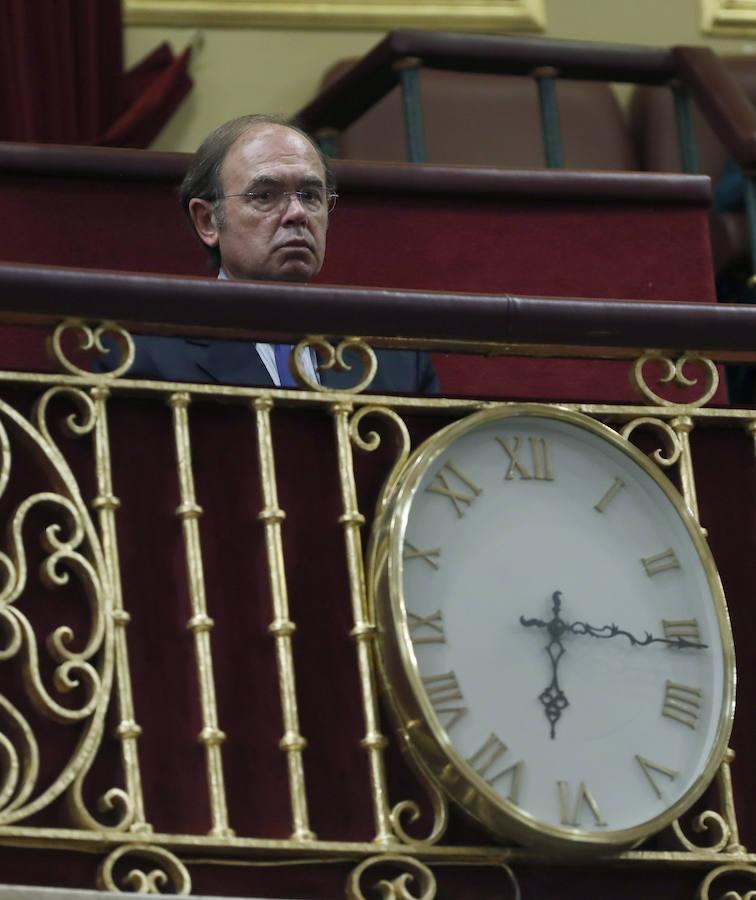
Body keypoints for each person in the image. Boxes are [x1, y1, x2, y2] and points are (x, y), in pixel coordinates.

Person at [122, 114, 438, 393]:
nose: (297, 213)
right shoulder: (144, 356)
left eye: (311, 195)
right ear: (208, 222)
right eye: (265, 196)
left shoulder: (395, 359)